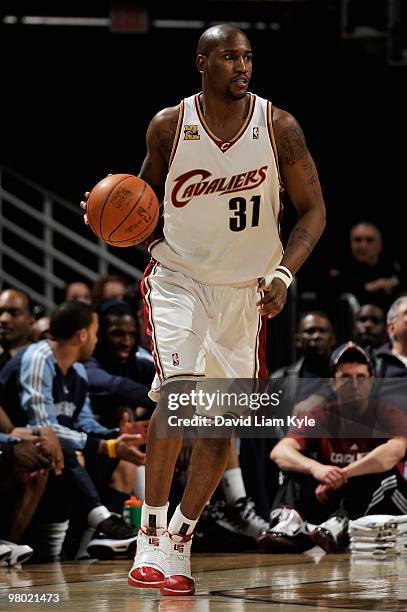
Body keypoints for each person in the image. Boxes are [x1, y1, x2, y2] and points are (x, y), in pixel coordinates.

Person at [82, 23, 326, 595]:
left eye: (248, 57)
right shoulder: (170, 125)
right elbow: (138, 205)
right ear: (202, 62)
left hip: (245, 292)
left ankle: (182, 542)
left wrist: (284, 273)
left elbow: (313, 210)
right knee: (181, 394)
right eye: (229, 58)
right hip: (179, 279)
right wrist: (108, 217)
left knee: (219, 431)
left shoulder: (279, 127)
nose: (242, 67)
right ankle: (151, 534)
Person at [259, 342, 407, 554]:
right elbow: (280, 452)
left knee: (383, 475)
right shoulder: (320, 414)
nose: (354, 384)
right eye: (346, 378)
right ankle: (289, 523)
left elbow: (394, 452)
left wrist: (344, 474)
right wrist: (317, 469)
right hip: (331, 495)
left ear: (371, 382)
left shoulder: (386, 413)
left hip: (382, 503)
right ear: (333, 383)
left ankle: (342, 524)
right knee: (295, 469)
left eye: (361, 377)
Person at [0, 289, 35, 371]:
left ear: (31, 318)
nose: (4, 319)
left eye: (14, 313)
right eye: (0, 313)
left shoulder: (42, 358)